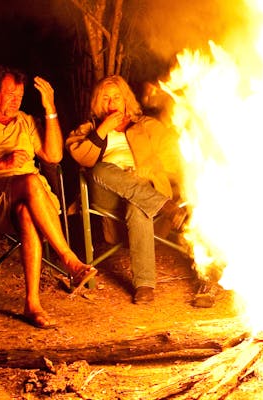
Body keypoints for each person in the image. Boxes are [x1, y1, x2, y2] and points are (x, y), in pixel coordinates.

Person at [0, 66, 98, 329]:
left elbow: (53, 156)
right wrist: (1, 163)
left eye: (20, 95)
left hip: (35, 200)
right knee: (30, 180)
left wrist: (49, 107)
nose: (16, 101)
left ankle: (32, 304)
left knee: (27, 210)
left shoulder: (26, 122)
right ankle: (68, 259)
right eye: (10, 94)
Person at [65, 75, 188, 305]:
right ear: (99, 103)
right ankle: (164, 206)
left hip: (143, 188)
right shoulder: (90, 128)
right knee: (100, 170)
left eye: (116, 97)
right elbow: (81, 156)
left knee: (137, 204)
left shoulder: (147, 126)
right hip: (107, 193)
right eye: (106, 98)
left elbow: (172, 158)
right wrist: (103, 129)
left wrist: (145, 173)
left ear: (125, 100)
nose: (112, 104)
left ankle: (144, 285)